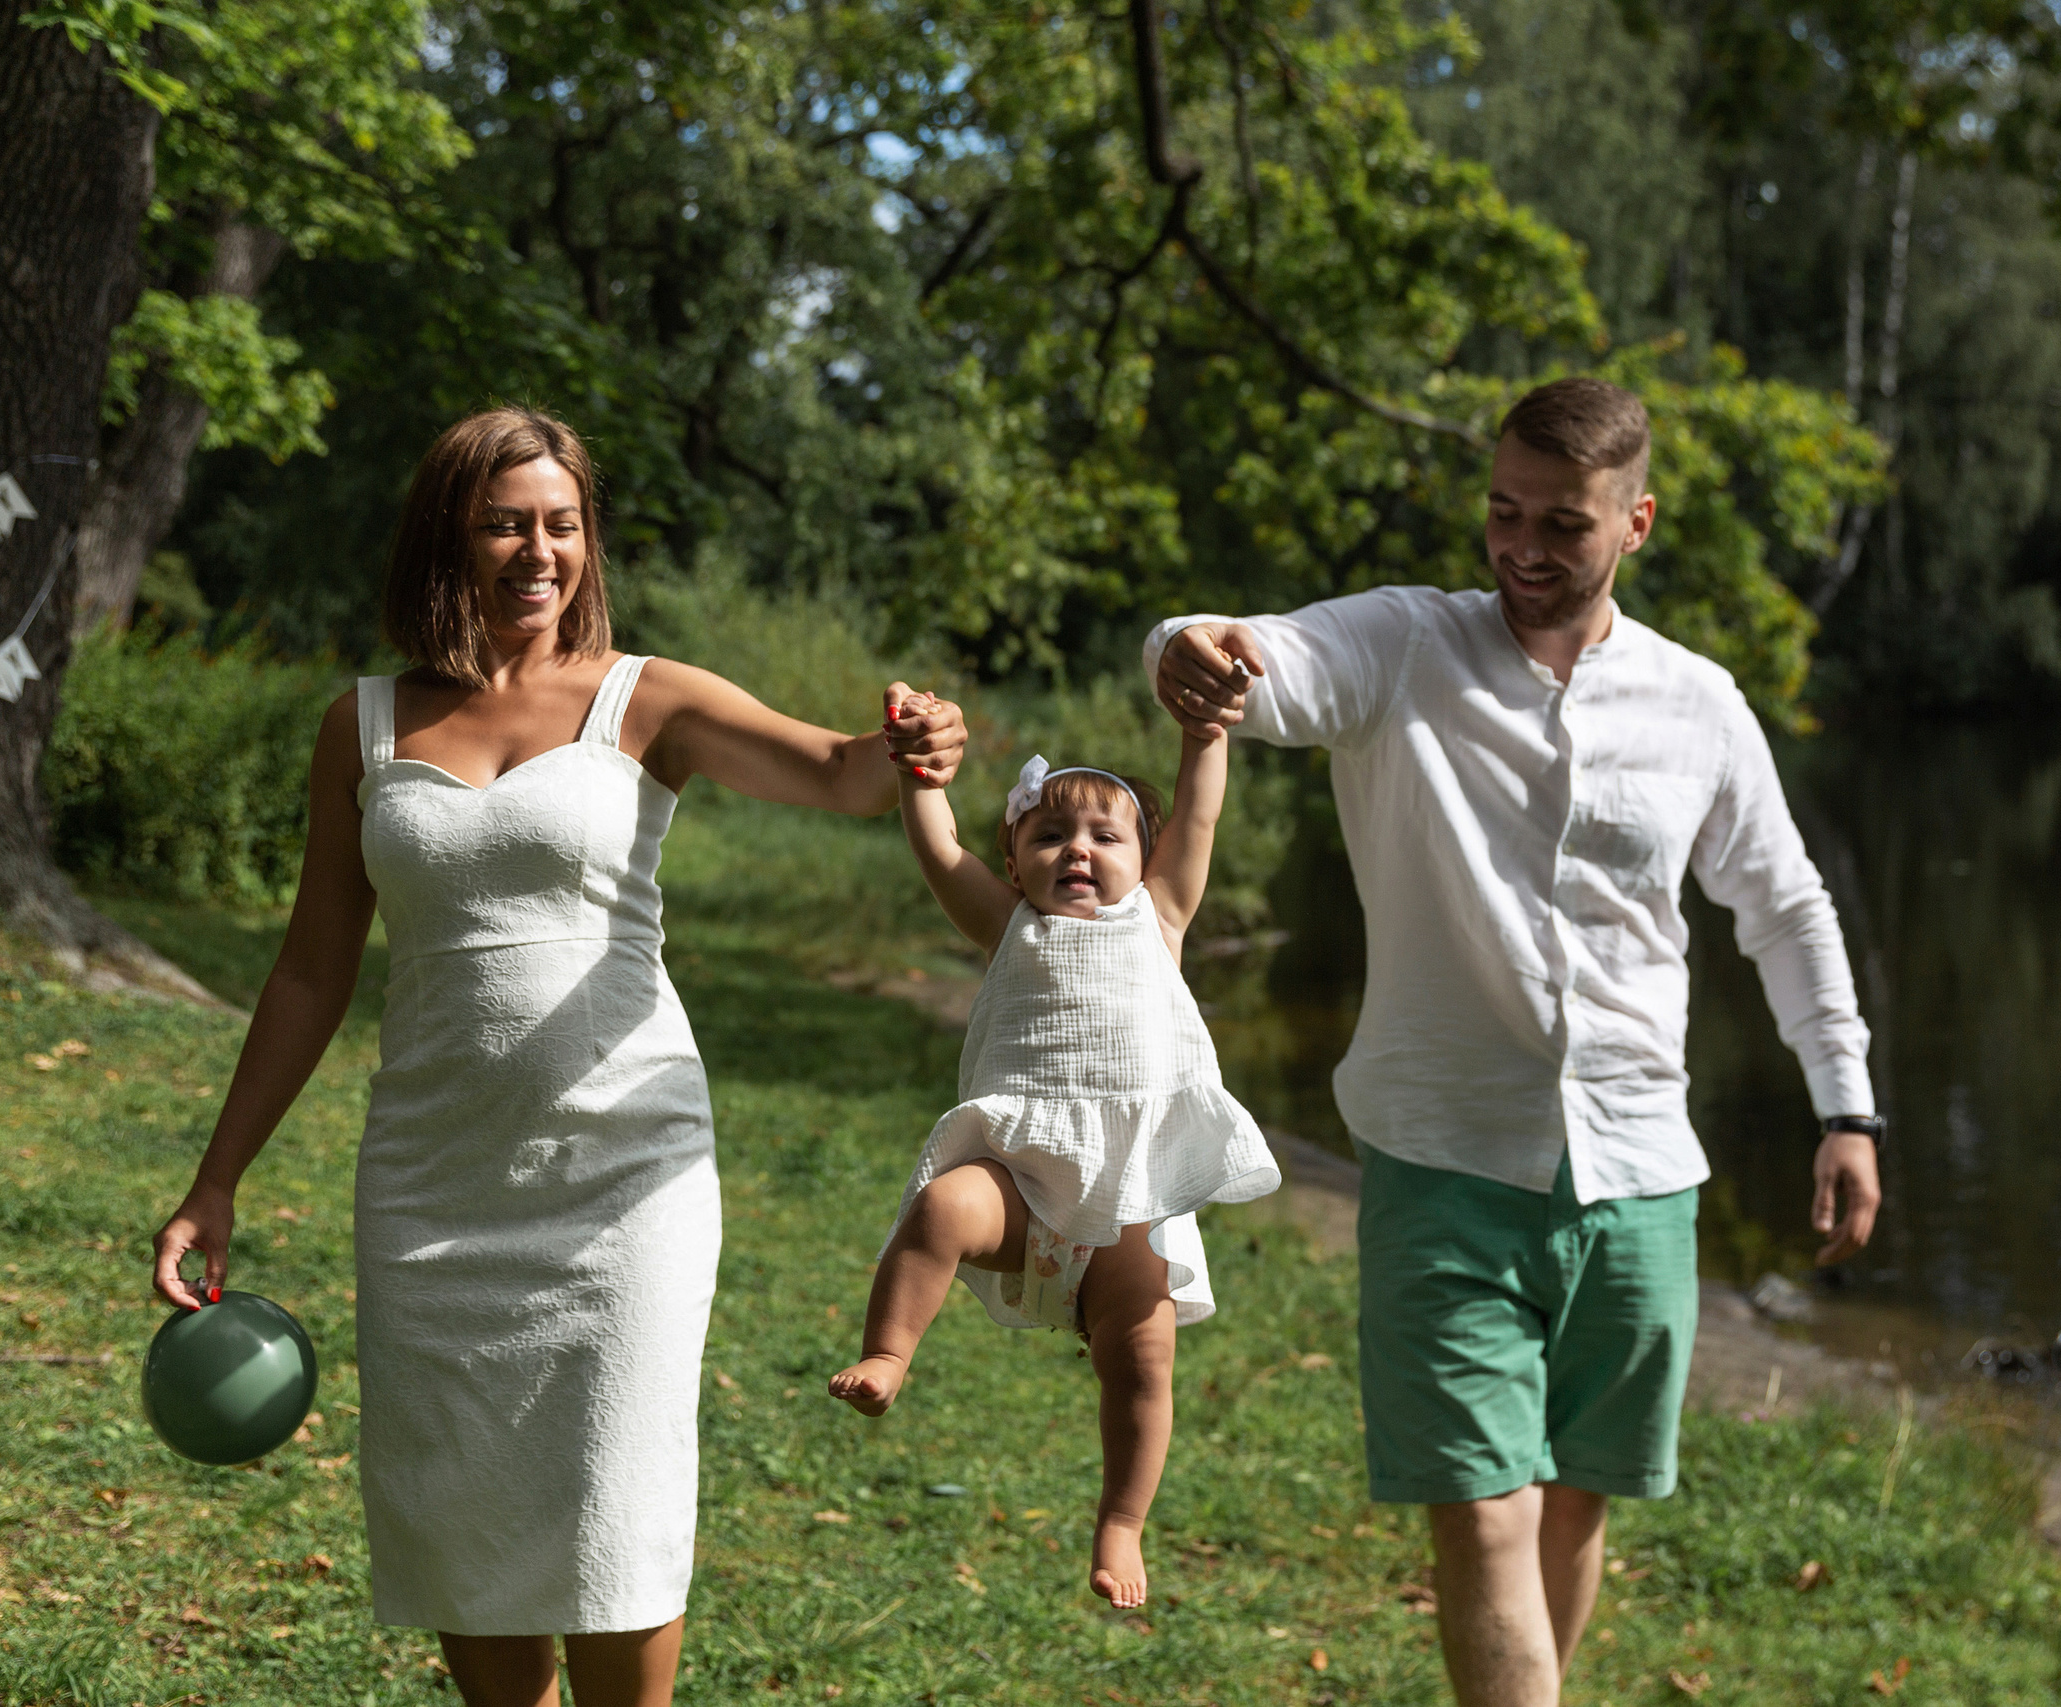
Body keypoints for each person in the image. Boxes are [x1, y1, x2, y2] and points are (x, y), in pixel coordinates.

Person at [147, 406, 965, 1707]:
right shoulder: (358, 725)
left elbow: (837, 771)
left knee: (614, 1519)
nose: (539, 550)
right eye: (506, 522)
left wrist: (910, 742)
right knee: (462, 1532)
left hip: (620, 1179)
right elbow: (311, 967)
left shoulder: (647, 698)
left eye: (562, 524)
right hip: (430, 1184)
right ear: (448, 534)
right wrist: (216, 1178)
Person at [1143, 376, 1883, 1706]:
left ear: (1637, 521)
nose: (1524, 549)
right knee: (1482, 1510)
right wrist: (1184, 647)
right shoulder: (1405, 646)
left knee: (1572, 1507)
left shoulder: (1697, 702)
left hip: (1644, 1169)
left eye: (1564, 525)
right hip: (1445, 1160)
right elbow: (1253, 656)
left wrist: (1848, 1104)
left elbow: (1783, 903)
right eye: (1503, 513)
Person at [826, 710, 1281, 1608]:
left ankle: (1121, 1520)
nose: (1077, 850)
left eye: (1105, 836)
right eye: (1049, 834)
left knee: (1145, 1357)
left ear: (1143, 860)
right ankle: (887, 1353)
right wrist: (922, 775)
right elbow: (939, 847)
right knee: (943, 1208)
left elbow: (1198, 817)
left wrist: (1205, 738)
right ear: (1013, 861)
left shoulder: (1159, 917)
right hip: (1023, 1181)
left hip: (1134, 1202)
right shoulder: (1008, 925)